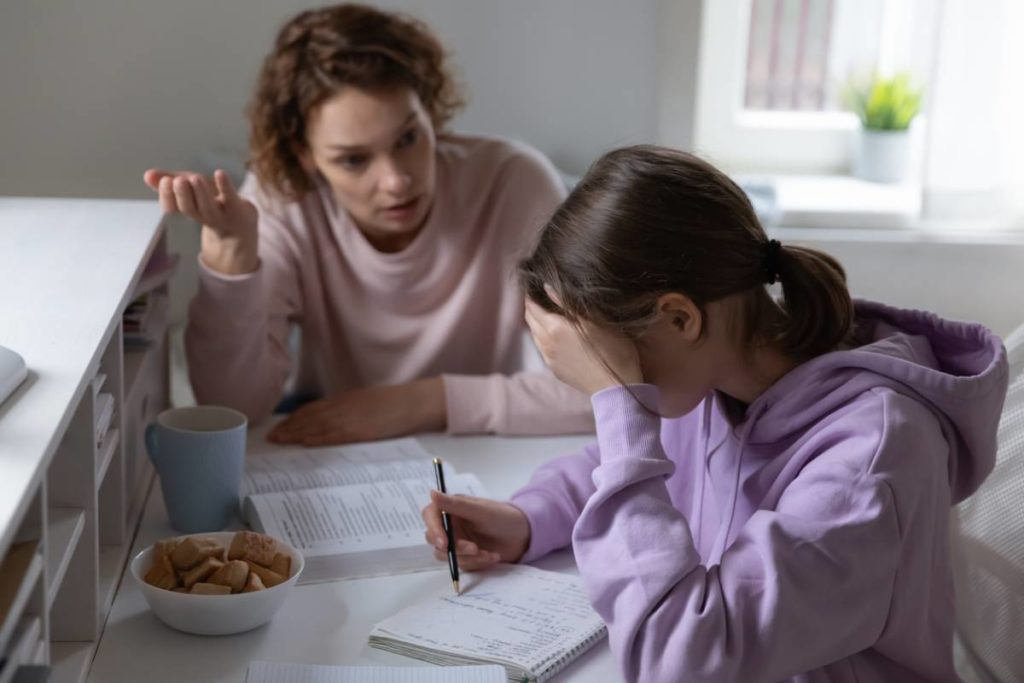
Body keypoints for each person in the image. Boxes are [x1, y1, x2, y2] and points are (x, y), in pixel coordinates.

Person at [421, 146, 1008, 682]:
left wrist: (622, 405)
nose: (616, 390)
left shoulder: (870, 460)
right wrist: (526, 517)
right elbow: (626, 466)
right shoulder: (713, 379)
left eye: (611, 366)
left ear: (680, 319)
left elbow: (676, 662)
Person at [143, 4, 592, 446]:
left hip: (486, 447)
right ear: (305, 155)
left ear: (430, 113)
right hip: (343, 454)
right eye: (354, 160)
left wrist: (427, 400)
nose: (397, 181)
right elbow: (233, 410)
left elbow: (612, 387)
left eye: (408, 138)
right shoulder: (283, 202)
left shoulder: (512, 181)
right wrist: (232, 256)